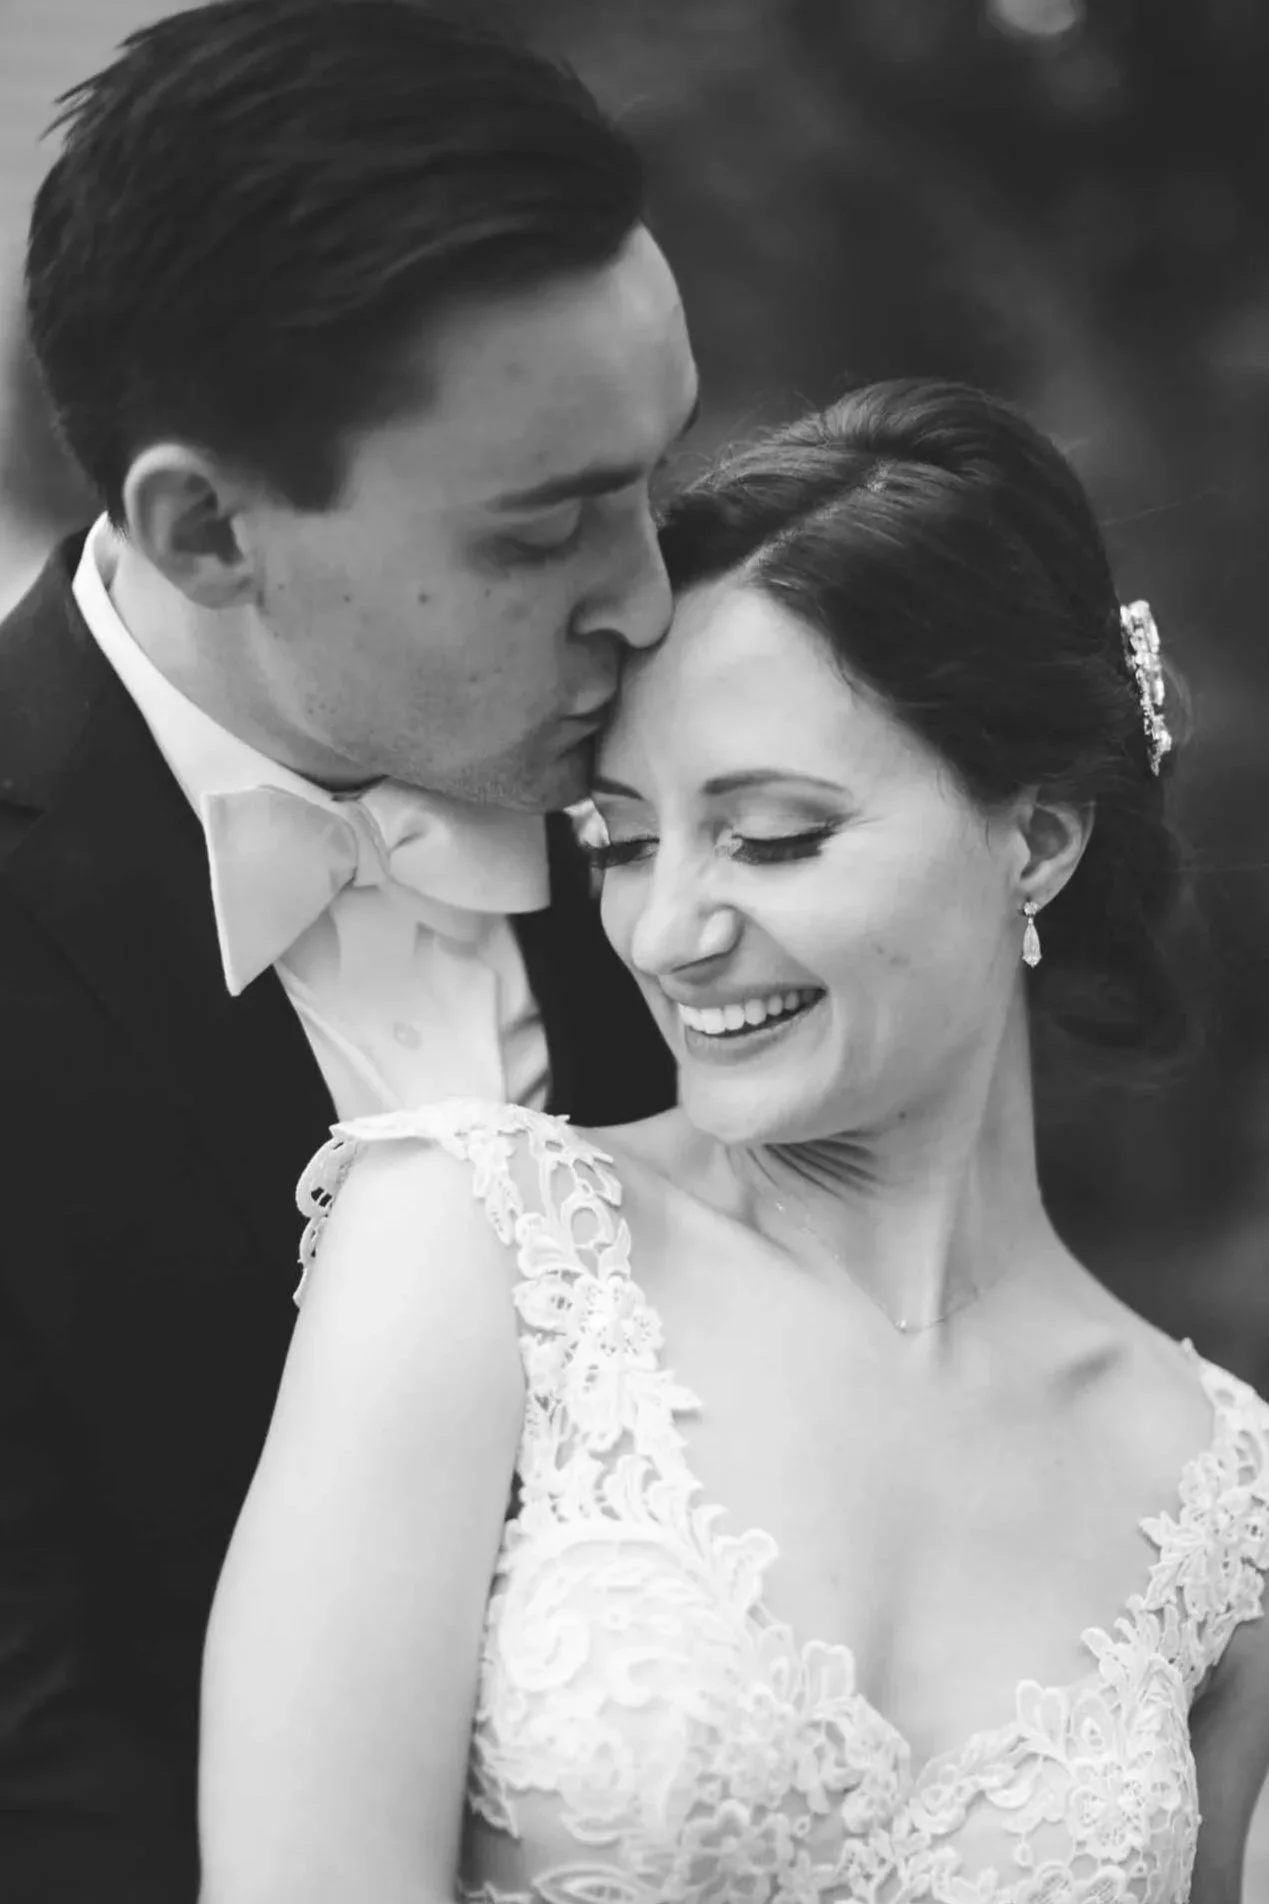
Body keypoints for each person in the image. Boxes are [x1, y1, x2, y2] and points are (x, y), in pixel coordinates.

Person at [200, 379, 1269, 1904]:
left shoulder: (1220, 1495)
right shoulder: (478, 1243)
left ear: (1034, 838)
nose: (669, 929)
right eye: (622, 843)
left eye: (771, 836)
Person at [0, 2, 697, 1896]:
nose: (648, 597)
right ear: (205, 526)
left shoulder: (740, 778)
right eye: (545, 531)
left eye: (659, 475)